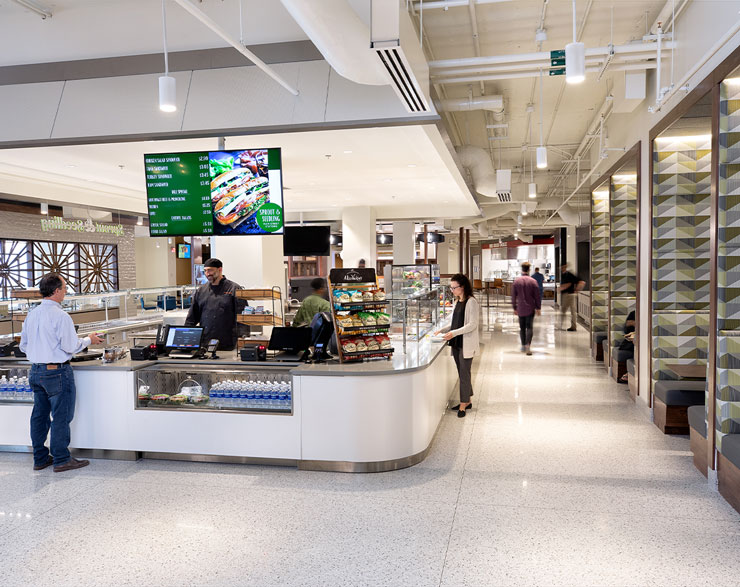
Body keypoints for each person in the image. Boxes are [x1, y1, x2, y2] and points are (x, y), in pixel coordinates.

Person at [20, 273, 104, 473]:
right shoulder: (61, 316)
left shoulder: (31, 314)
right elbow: (70, 346)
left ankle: (40, 458)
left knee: (39, 416)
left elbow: (23, 346)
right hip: (57, 372)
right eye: (65, 288)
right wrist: (88, 340)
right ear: (56, 291)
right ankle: (61, 459)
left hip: (36, 371)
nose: (66, 292)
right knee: (61, 416)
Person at [434, 274, 480, 418]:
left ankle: (462, 404)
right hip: (457, 342)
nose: (452, 290)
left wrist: (453, 333)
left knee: (464, 374)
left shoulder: (471, 302)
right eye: (451, 287)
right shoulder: (457, 301)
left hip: (466, 342)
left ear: (463, 287)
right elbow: (456, 321)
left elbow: (472, 325)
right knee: (462, 372)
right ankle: (468, 400)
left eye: (454, 287)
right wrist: (443, 330)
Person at [185, 258, 244, 351]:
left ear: (220, 269)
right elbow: (192, 317)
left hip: (228, 344)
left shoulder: (234, 288)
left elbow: (242, 316)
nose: (207, 273)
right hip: (205, 343)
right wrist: (186, 337)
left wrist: (242, 339)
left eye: (210, 270)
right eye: (205, 271)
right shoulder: (201, 290)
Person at [512, 262, 541, 355]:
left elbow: (513, 296)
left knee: (522, 328)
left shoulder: (516, 281)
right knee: (529, 327)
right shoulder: (533, 281)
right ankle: (528, 345)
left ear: (522, 269)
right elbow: (537, 296)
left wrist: (514, 307)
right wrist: (538, 307)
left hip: (520, 308)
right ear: (529, 269)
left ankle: (523, 345)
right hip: (530, 308)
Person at [559, 262, 585, 331]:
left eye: (563, 267)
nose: (562, 268)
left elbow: (582, 282)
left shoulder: (569, 275)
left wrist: (577, 290)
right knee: (569, 311)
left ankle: (571, 326)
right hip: (567, 295)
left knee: (569, 311)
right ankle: (567, 325)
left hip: (569, 295)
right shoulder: (564, 275)